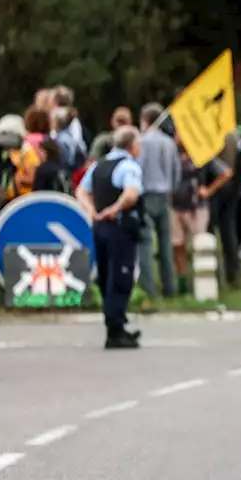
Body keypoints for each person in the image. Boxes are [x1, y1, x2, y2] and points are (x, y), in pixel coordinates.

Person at [74, 126, 146, 349]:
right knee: (121, 276)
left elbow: (81, 191)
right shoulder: (128, 167)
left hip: (100, 228)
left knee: (106, 276)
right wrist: (115, 209)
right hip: (120, 227)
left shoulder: (98, 166)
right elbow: (131, 194)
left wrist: (92, 210)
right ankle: (115, 329)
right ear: (132, 146)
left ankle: (115, 324)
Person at [171, 145, 232, 294]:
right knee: (177, 244)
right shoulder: (172, 154)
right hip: (176, 205)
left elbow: (226, 173)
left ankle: (206, 280)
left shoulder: (202, 154)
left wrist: (209, 190)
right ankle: (182, 282)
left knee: (200, 243)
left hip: (197, 206)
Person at [137, 103, 181, 299]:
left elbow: (139, 167)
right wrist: (171, 187)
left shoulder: (143, 141)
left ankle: (149, 289)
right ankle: (170, 287)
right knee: (165, 244)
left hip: (147, 193)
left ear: (146, 120)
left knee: (146, 242)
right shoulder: (170, 143)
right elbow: (176, 171)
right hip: (165, 194)